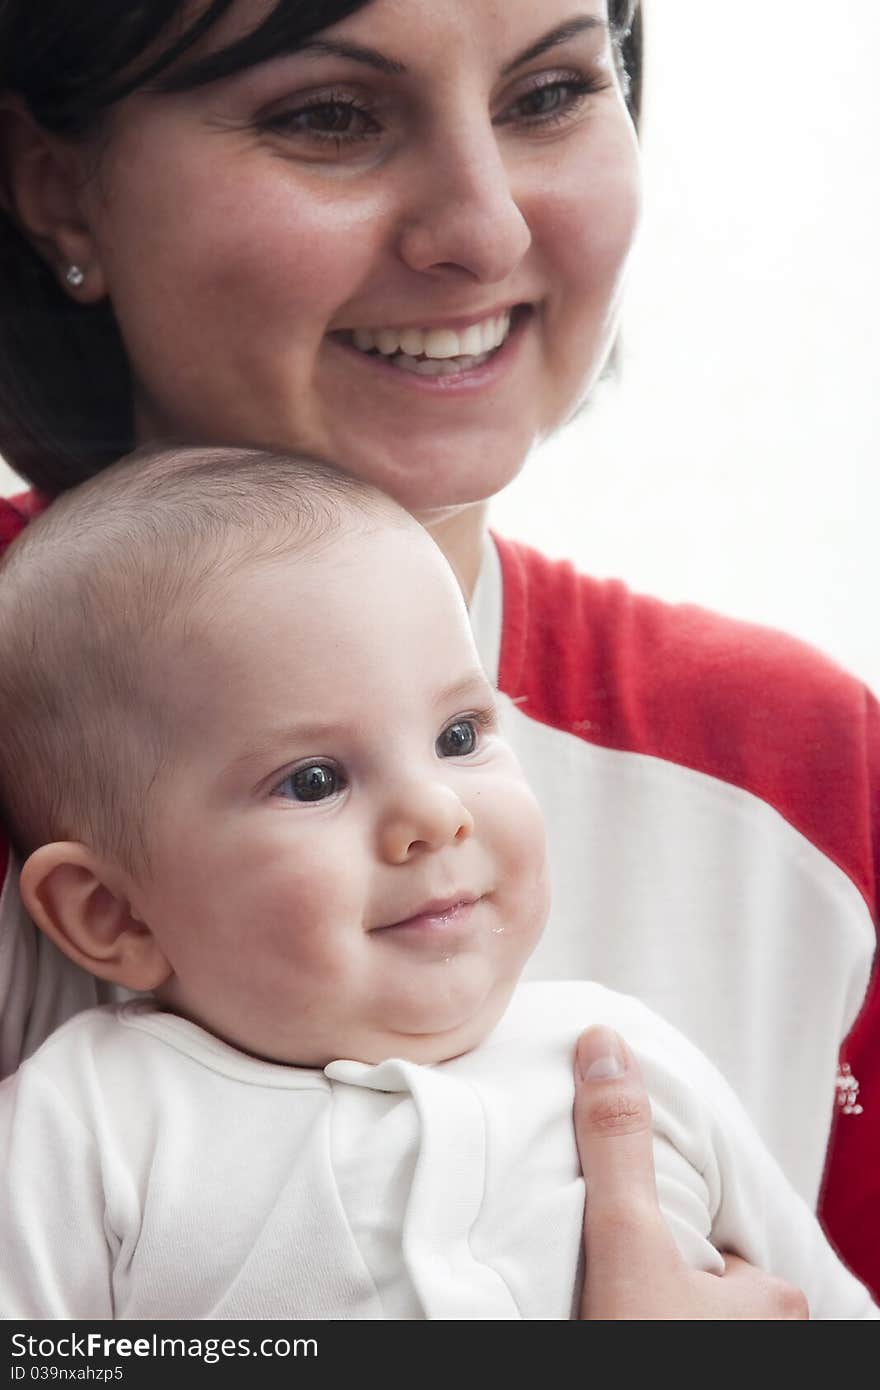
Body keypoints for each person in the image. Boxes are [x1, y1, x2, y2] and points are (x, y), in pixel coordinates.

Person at [0, 0, 875, 1311]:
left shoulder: (810, 782)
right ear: (61, 191)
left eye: (549, 94)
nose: (486, 230)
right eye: (330, 117)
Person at [0, 443, 874, 1321]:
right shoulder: (85, 1128)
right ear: (112, 914)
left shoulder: (627, 1063)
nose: (437, 812)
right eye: (314, 780)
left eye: (460, 735)